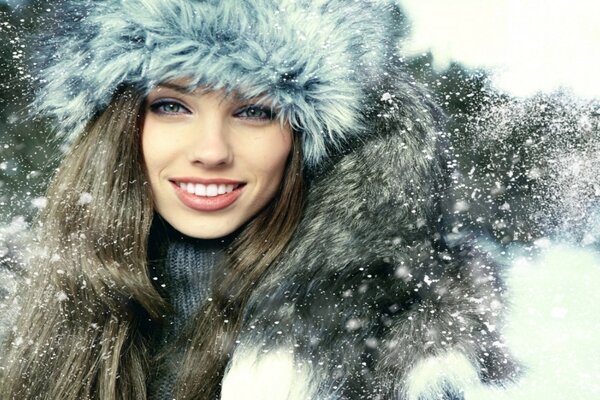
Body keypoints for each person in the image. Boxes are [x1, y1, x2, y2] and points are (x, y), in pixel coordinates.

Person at [0, 1, 520, 399]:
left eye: (254, 112)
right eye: (171, 105)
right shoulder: (18, 304)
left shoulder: (404, 343)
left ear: (311, 140)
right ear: (117, 126)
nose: (210, 152)